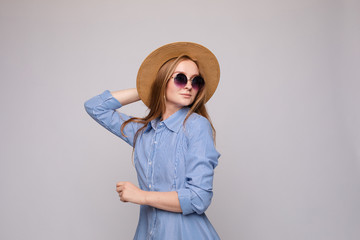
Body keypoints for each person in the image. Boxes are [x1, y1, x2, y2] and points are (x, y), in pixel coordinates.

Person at [84, 42, 221, 239]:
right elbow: (95, 107)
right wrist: (148, 87)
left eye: (196, 81)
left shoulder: (196, 126)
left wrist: (141, 196)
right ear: (162, 80)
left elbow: (199, 198)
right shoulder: (143, 132)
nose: (189, 86)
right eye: (181, 79)